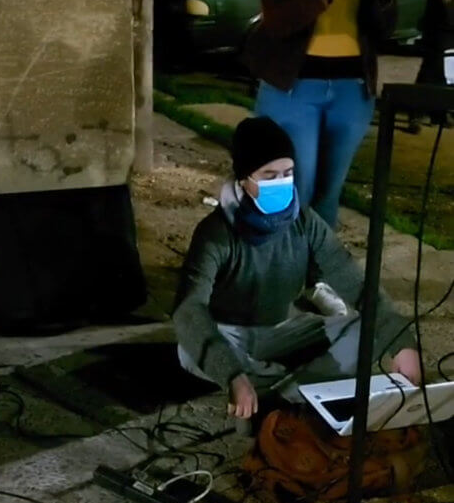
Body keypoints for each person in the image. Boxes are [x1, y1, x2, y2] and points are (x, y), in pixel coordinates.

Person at [174, 117, 419, 422]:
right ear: (244, 179)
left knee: (366, 329)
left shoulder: (304, 221)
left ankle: (278, 396)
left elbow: (355, 283)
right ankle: (290, 390)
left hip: (285, 329)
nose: (281, 182)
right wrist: (232, 373)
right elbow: (189, 309)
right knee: (191, 349)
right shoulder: (217, 232)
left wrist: (402, 343)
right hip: (230, 334)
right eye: (269, 175)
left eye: (287, 173)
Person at [242, 0, 397, 231]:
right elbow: (275, 23)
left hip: (352, 90)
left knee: (329, 193)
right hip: (295, 89)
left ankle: (318, 275)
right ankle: (282, 274)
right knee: (296, 189)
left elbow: (384, 32)